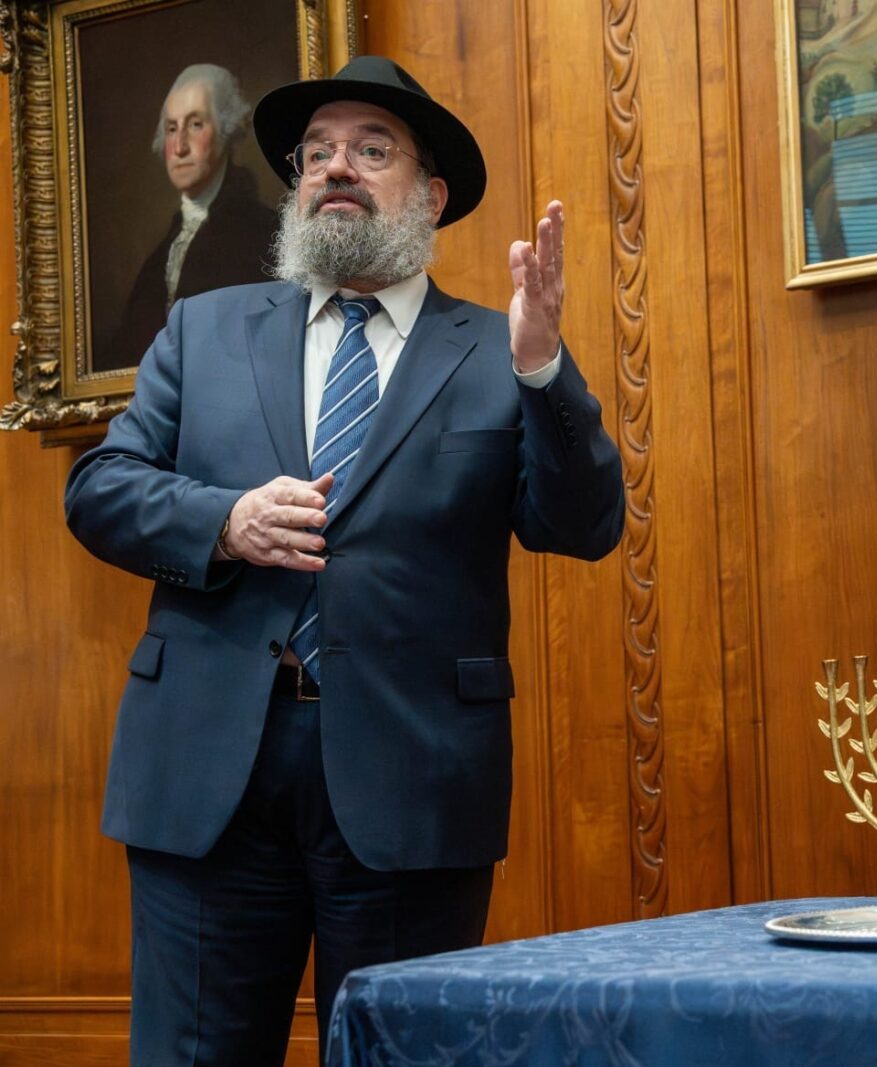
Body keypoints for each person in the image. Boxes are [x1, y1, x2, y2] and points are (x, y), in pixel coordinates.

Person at [63, 55, 625, 1065]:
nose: (335, 168)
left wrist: (542, 364)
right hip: (207, 771)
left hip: (411, 775)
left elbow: (583, 525)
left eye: (371, 150)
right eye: (316, 151)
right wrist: (224, 521)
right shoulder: (205, 327)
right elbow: (99, 488)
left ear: (432, 195)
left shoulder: (492, 351)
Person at [106, 63, 278, 371]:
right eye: (172, 129)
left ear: (226, 130)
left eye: (196, 125)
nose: (179, 147)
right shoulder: (161, 255)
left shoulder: (261, 234)